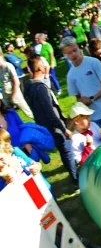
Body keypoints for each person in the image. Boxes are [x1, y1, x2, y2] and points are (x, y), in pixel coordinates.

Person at [25, 55, 79, 186]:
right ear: (40, 67)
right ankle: (76, 179)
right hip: (54, 126)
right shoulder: (41, 88)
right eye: (45, 64)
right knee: (67, 152)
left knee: (63, 151)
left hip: (45, 125)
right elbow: (50, 112)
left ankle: (73, 176)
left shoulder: (29, 86)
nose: (47, 65)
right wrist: (63, 128)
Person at [62, 36, 101, 138]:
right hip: (91, 118)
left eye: (74, 50)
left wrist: (92, 98)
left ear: (78, 48)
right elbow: (78, 98)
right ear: (65, 55)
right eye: (69, 53)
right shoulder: (70, 75)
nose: (73, 54)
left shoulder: (93, 62)